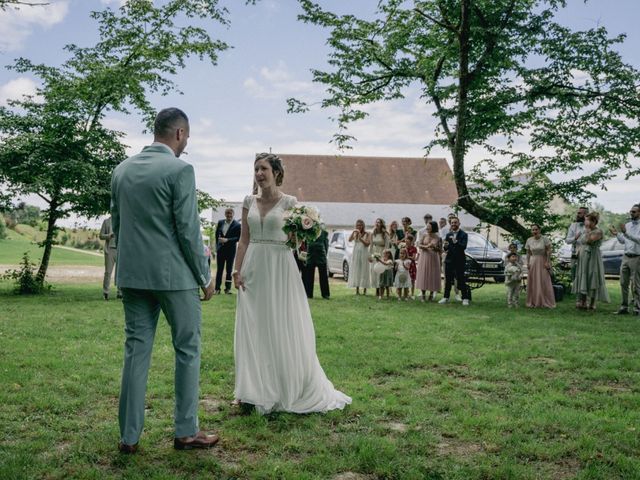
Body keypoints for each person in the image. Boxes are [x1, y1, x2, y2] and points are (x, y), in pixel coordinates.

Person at [111, 108, 218, 453]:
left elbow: (119, 225)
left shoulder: (121, 171)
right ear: (180, 134)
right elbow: (188, 230)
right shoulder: (181, 169)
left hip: (132, 275)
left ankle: (129, 437)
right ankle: (186, 432)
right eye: (186, 138)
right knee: (187, 349)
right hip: (174, 278)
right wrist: (204, 276)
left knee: (135, 351)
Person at [232, 153, 351, 414]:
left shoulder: (290, 202)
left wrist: (304, 232)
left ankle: (283, 386)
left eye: (263, 169)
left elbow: (295, 241)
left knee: (279, 322)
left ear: (276, 172)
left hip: (280, 267)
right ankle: (250, 389)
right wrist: (236, 269)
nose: (259, 174)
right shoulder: (247, 201)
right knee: (253, 326)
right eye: (255, 169)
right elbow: (243, 239)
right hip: (252, 267)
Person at [572, 212, 610, 310]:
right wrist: (577, 252)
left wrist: (588, 230)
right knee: (583, 275)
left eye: (587, 220)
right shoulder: (585, 231)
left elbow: (589, 241)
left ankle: (592, 303)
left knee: (592, 276)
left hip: (593, 256)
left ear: (593, 221)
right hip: (583, 256)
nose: (585, 222)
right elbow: (582, 243)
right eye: (585, 220)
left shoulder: (598, 231)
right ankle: (583, 301)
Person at [610, 203, 640, 315]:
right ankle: (624, 307)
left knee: (637, 284)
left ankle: (637, 308)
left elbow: (638, 240)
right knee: (623, 282)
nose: (631, 213)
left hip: (637, 257)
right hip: (626, 256)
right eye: (631, 211)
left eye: (634, 211)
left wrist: (626, 233)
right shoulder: (627, 225)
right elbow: (623, 241)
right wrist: (617, 234)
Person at [439, 217, 470, 306]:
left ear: (459, 223)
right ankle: (446, 297)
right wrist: (445, 246)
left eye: (455, 223)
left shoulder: (464, 234)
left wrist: (455, 241)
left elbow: (463, 247)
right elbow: (447, 248)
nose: (453, 224)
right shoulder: (448, 234)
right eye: (452, 223)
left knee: (461, 279)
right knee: (448, 280)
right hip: (449, 260)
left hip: (459, 260)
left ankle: (465, 298)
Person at [525, 224, 556, 308]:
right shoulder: (529, 240)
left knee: (544, 280)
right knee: (534, 280)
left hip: (543, 261)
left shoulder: (544, 239)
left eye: (536, 229)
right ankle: (534, 300)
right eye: (533, 230)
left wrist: (548, 261)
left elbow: (549, 251)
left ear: (539, 230)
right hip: (533, 262)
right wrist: (527, 263)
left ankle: (545, 300)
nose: (534, 231)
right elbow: (528, 253)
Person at [215, 208, 241, 294]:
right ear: (225, 214)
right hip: (220, 250)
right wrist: (217, 246)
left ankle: (227, 289)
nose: (229, 215)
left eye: (230, 214)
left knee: (229, 270)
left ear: (233, 214)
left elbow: (238, 238)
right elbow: (216, 235)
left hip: (231, 250)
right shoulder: (220, 222)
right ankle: (217, 289)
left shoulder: (237, 225)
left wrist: (227, 240)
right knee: (219, 270)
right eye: (227, 214)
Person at [415, 221, 442, 302]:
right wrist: (426, 247)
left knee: (432, 275)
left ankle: (431, 294)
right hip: (424, 256)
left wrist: (434, 247)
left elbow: (440, 249)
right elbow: (419, 245)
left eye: (429, 227)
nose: (427, 228)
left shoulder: (438, 237)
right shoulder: (424, 235)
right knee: (424, 274)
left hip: (434, 257)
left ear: (433, 227)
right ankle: (423, 295)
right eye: (427, 227)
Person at [302, 227, 330, 299]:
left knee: (323, 276)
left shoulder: (324, 232)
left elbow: (326, 244)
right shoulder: (307, 231)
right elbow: (304, 244)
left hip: (321, 256)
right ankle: (308, 294)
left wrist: (325, 254)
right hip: (310, 256)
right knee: (309, 276)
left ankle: (325, 294)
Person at [99, 216, 122, 300]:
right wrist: (109, 235)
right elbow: (101, 235)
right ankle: (106, 292)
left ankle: (120, 293)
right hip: (110, 250)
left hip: (120, 250)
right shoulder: (106, 221)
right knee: (108, 272)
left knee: (120, 272)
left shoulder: (122, 220)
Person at [565, 206, 588, 284]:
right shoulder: (573, 225)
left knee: (585, 274)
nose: (577, 214)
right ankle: (576, 292)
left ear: (585, 214)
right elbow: (567, 240)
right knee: (574, 275)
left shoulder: (590, 226)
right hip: (575, 254)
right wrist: (575, 238)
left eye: (579, 213)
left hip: (587, 254)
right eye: (577, 213)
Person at [348, 219, 371, 295]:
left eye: (360, 225)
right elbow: (349, 240)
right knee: (357, 270)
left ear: (363, 226)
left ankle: (365, 289)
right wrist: (353, 232)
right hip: (356, 252)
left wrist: (360, 238)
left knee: (364, 270)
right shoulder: (355, 233)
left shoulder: (367, 233)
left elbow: (367, 244)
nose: (359, 227)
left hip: (364, 252)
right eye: (358, 225)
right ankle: (357, 289)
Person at [369, 218, 390, 288]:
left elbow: (387, 246)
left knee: (381, 269)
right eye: (376, 222)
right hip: (374, 252)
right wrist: (369, 255)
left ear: (381, 224)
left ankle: (381, 286)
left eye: (379, 222)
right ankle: (376, 287)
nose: (377, 224)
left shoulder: (385, 234)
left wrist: (386, 256)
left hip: (382, 252)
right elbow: (371, 245)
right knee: (373, 269)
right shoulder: (373, 233)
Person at [404, 234, 418, 299]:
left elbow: (414, 258)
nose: (406, 240)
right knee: (405, 279)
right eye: (406, 239)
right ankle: (406, 293)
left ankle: (412, 294)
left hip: (411, 265)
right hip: (405, 265)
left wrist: (407, 256)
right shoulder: (404, 247)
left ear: (411, 241)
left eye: (408, 239)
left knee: (412, 280)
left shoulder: (414, 248)